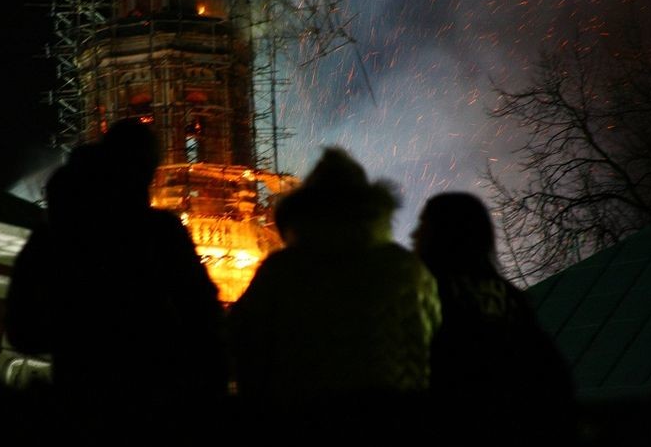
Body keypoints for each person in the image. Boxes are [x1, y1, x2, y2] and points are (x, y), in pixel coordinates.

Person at [5, 119, 227, 444]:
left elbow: (23, 331)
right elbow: (205, 318)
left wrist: (75, 338)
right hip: (158, 405)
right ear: (146, 171)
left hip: (80, 403)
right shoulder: (159, 233)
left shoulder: (53, 237)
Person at [229, 148, 441, 443]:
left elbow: (244, 344)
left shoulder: (282, 271)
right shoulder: (406, 270)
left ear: (303, 210)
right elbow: (434, 344)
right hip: (392, 424)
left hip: (302, 424)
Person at [412, 192, 576, 445]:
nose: (413, 235)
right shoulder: (509, 299)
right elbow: (551, 373)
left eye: (423, 225)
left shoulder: (425, 295)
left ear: (441, 234)